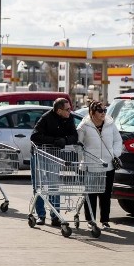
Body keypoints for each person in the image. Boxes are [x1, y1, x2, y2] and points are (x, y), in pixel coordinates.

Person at [30, 97, 78, 226]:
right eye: (67, 109)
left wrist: (65, 141)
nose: (70, 111)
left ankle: (55, 215)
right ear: (58, 110)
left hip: (54, 155)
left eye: (70, 109)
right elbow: (34, 136)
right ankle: (41, 215)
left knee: (54, 184)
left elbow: (75, 136)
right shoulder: (46, 118)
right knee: (39, 185)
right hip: (39, 154)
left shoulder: (69, 119)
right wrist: (53, 140)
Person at [77, 100, 123, 230]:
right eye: (100, 110)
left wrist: (114, 154)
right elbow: (78, 145)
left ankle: (105, 220)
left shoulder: (110, 124)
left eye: (105, 110)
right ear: (92, 113)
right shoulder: (84, 126)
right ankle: (91, 220)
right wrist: (83, 159)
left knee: (106, 194)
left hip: (107, 165)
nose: (103, 113)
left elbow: (118, 140)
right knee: (90, 194)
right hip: (90, 165)